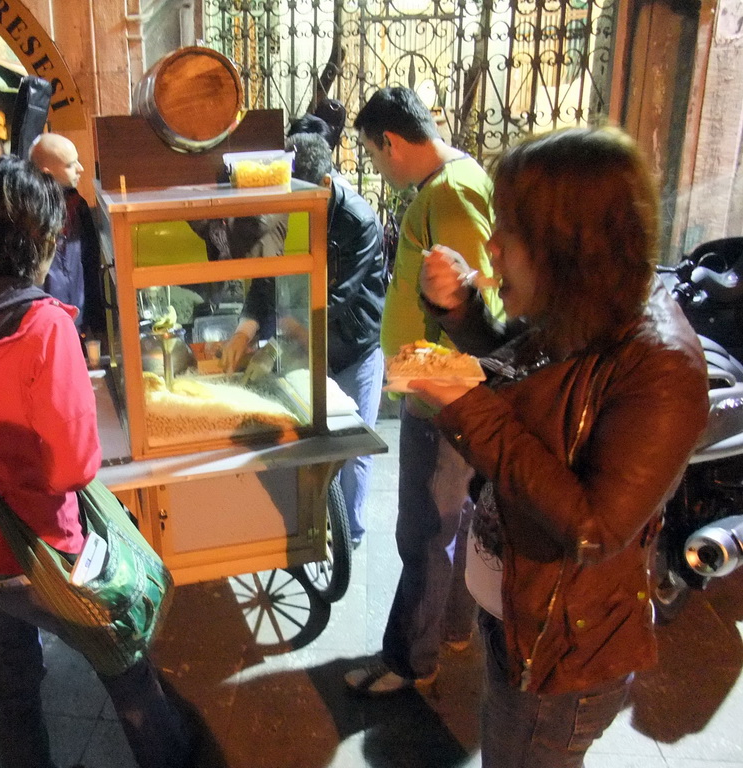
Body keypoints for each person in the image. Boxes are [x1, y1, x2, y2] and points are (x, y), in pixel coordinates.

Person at [410, 126, 709, 767]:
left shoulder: (662, 368)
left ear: (565, 249)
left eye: (506, 233)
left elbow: (595, 527)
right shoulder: (580, 307)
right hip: (518, 617)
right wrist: (463, 309)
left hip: (561, 659)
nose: (489, 246)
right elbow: (528, 380)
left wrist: (464, 406)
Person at [0, 155, 191, 768]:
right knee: (128, 673)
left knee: (12, 685)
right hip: (45, 556)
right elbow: (72, 467)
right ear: (35, 236)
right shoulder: (43, 327)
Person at [344, 86, 503, 695]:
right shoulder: (450, 184)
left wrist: (430, 376)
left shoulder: (451, 192)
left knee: (423, 530)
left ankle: (412, 659)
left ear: (391, 141)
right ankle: (451, 627)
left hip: (442, 394)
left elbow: (476, 299)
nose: (379, 170)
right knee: (448, 520)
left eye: (375, 155)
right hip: (440, 388)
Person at [273, 132, 387, 546]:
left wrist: (296, 328)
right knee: (310, 441)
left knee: (354, 445)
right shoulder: (293, 209)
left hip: (356, 345)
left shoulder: (358, 220)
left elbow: (338, 297)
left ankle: (349, 536)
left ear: (323, 184)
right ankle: (312, 522)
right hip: (309, 340)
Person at [29, 132, 106, 340]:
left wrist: (95, 319)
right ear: (48, 172)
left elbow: (90, 262)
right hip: (43, 323)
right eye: (71, 165)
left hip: (76, 318)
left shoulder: (76, 205)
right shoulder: (28, 214)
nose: (80, 168)